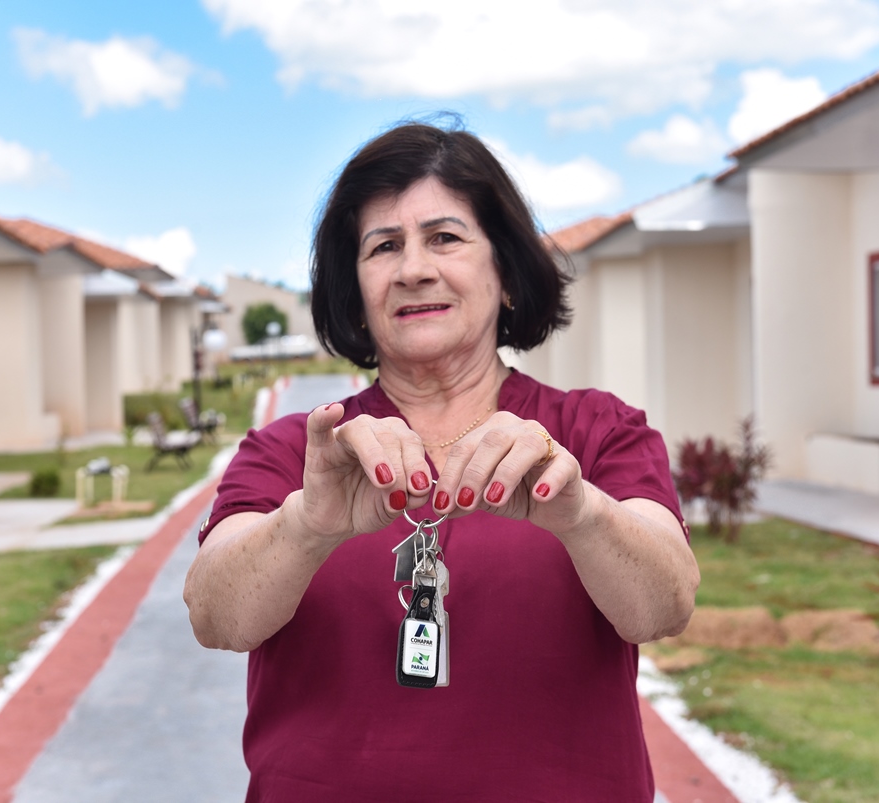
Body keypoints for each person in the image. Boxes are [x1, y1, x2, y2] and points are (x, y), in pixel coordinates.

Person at [184, 121, 699, 802]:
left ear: (507, 273)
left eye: (445, 237)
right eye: (383, 246)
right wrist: (306, 524)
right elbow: (216, 616)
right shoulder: (296, 450)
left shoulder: (597, 431)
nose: (413, 268)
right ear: (356, 289)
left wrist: (582, 514)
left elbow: (664, 605)